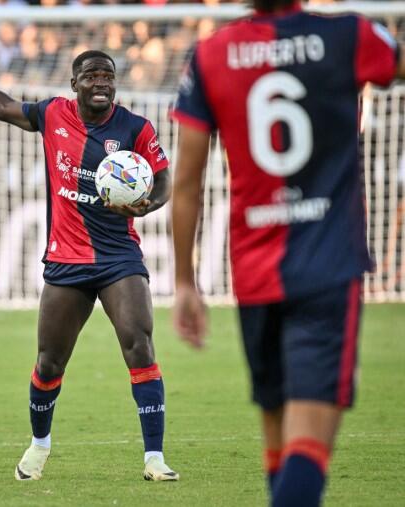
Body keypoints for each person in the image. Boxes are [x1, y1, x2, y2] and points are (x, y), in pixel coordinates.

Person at [170, 1, 404, 504]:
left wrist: (185, 282)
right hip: (328, 266)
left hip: (255, 273)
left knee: (278, 439)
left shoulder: (210, 55)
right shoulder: (348, 36)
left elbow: (187, 182)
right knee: (309, 447)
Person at [0, 38, 178, 482]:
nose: (101, 83)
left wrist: (148, 205)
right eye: (92, 76)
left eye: (108, 76)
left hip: (119, 258)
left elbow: (163, 179)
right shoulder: (53, 114)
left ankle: (154, 458)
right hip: (67, 261)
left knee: (140, 345)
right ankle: (39, 446)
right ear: (74, 83)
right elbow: (0, 105)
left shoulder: (136, 128)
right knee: (49, 363)